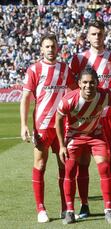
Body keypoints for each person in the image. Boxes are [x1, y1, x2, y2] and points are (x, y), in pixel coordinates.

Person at [69, 19, 111, 218]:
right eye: (93, 34)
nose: (97, 37)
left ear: (105, 35)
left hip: (108, 118)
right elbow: (72, 86)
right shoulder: (79, 58)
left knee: (110, 163)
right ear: (88, 36)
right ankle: (84, 205)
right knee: (83, 163)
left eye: (100, 34)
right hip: (84, 119)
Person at [20, 33, 75, 223]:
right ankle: (40, 208)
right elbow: (26, 98)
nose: (51, 50)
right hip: (42, 125)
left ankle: (65, 207)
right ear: (42, 49)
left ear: (58, 48)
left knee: (64, 166)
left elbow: (74, 93)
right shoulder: (34, 69)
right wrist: (24, 125)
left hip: (63, 126)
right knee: (40, 165)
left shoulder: (65, 69)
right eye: (47, 46)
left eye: (53, 46)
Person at [55, 68, 111, 225]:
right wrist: (62, 146)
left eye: (92, 82)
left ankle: (108, 210)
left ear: (97, 83)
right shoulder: (69, 100)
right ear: (79, 84)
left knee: (105, 168)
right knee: (69, 170)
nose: (88, 86)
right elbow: (58, 120)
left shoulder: (104, 95)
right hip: (74, 136)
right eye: (85, 82)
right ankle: (70, 211)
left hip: (95, 135)